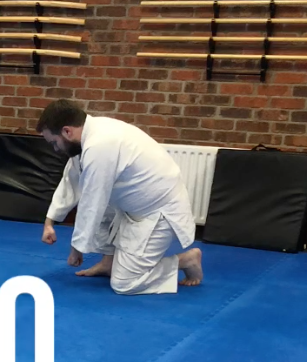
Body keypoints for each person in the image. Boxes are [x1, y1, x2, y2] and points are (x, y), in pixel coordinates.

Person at [38, 99, 204, 295]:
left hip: (158, 212)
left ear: (67, 131)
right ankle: (108, 262)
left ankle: (185, 260)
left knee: (124, 283)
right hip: (133, 206)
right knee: (100, 203)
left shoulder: (100, 145)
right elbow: (71, 181)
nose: (55, 149)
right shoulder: (87, 137)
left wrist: (77, 248)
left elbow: (92, 202)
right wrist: (50, 221)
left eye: (54, 142)